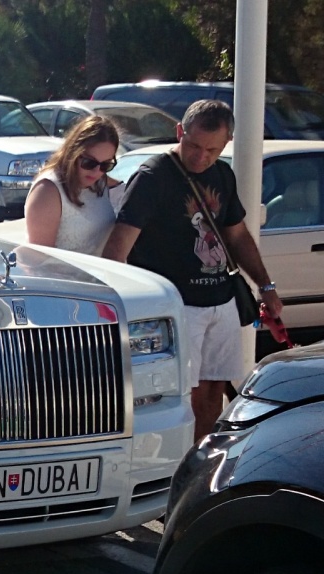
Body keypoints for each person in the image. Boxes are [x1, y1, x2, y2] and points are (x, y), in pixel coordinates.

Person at [102, 100, 283, 441]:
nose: (202, 157)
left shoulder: (222, 174)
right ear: (179, 132)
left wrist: (266, 286)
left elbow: (238, 234)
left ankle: (199, 466)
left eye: (212, 150)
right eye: (194, 146)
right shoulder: (152, 177)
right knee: (181, 396)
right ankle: (176, 471)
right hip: (175, 306)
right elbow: (117, 248)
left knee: (214, 393)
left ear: (226, 143)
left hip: (221, 299)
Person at [24, 115, 121, 255]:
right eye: (89, 162)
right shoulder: (47, 190)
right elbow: (39, 261)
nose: (96, 171)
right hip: (60, 276)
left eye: (105, 165)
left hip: (99, 274)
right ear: (73, 153)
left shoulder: (100, 181)